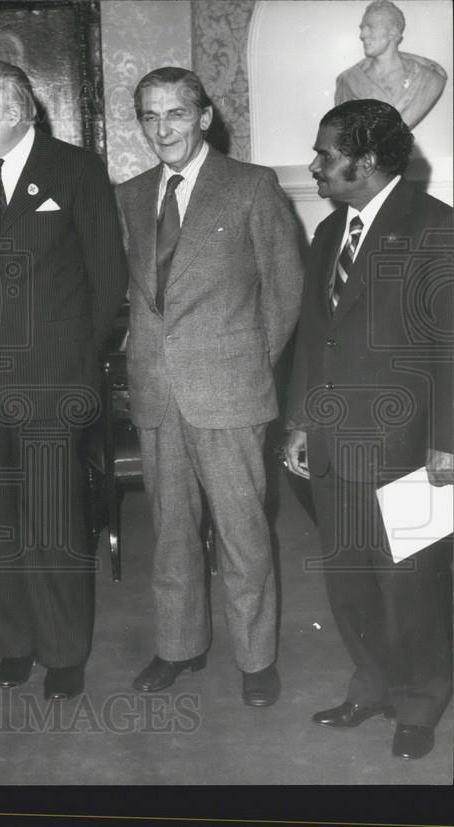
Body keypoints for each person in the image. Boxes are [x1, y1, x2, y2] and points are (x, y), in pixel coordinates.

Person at [114, 67, 304, 707]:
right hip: (156, 393)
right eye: (149, 115)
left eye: (175, 113)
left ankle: (256, 659)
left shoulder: (251, 187)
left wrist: (246, 364)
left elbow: (284, 293)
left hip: (231, 391)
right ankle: (179, 647)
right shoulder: (132, 194)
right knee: (169, 532)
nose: (161, 128)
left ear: (203, 117)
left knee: (243, 532)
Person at [0, 60, 126, 701]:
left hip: (52, 377)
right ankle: (16, 644)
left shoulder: (75, 170)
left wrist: (74, 365)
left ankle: (64, 651)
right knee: (1, 518)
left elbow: (107, 284)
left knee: (53, 517)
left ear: (17, 111)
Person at [283, 99, 453, 760]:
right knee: (348, 580)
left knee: (411, 585)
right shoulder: (329, 232)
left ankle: (419, 701)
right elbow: (313, 340)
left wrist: (447, 441)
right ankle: (372, 682)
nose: (314, 164)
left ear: (370, 160)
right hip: (333, 441)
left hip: (410, 446)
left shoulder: (437, 229)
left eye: (326, 153)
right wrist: (299, 420)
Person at [335, 0, 447, 129]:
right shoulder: (348, 81)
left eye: (371, 27)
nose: (362, 35)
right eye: (362, 28)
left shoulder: (428, 79)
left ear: (393, 32)